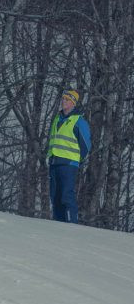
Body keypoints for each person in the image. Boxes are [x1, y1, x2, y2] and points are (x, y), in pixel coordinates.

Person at [47, 90, 91, 224]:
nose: (64, 101)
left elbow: (86, 145)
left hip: (68, 164)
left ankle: (71, 225)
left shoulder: (78, 121)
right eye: (63, 99)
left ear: (73, 102)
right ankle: (58, 224)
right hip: (54, 162)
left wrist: (78, 160)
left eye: (67, 99)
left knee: (67, 195)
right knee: (55, 196)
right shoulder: (57, 118)